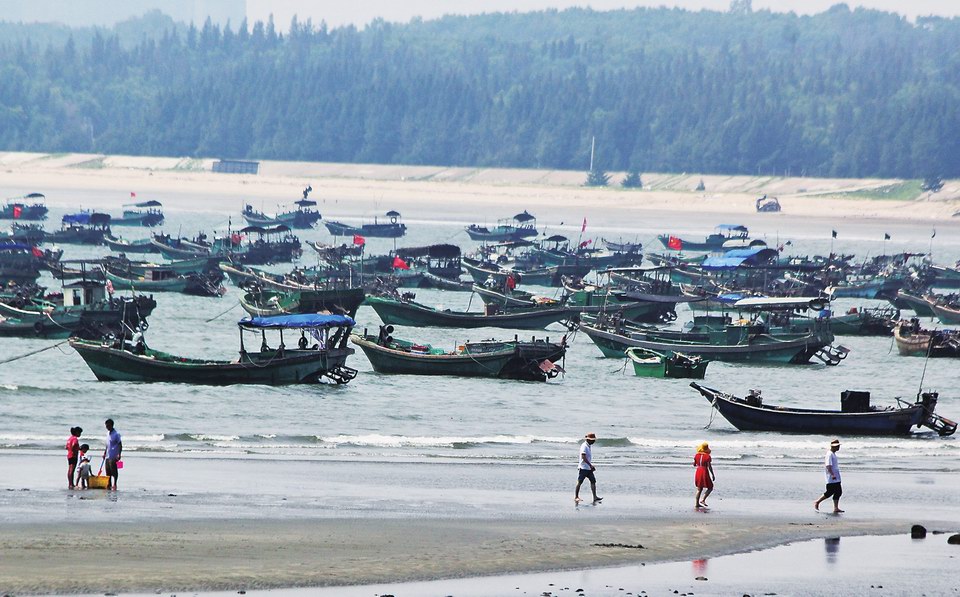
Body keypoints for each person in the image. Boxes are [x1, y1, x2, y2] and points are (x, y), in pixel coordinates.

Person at [814, 439, 843, 513]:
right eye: (837, 446)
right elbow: (828, 466)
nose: (838, 447)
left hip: (836, 477)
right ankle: (817, 501)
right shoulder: (829, 454)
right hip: (831, 477)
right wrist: (832, 474)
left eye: (838, 446)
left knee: (838, 492)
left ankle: (836, 508)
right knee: (830, 492)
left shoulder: (833, 454)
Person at [575, 432, 601, 504]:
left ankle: (595, 496)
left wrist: (590, 466)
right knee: (580, 482)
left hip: (588, 468)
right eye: (593, 440)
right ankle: (576, 497)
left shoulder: (588, 446)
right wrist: (590, 465)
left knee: (593, 481)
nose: (594, 441)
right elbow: (583, 457)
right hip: (583, 467)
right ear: (589, 440)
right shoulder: (584, 446)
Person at [694, 442, 715, 508]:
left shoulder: (696, 455)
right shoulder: (707, 456)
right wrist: (712, 474)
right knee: (710, 487)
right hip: (704, 471)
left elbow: (694, 464)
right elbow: (709, 466)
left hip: (698, 470)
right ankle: (703, 499)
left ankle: (697, 503)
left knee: (699, 489)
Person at [103, 419, 123, 491]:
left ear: (111, 425)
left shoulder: (116, 434)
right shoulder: (107, 433)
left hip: (114, 455)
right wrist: (104, 452)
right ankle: (109, 484)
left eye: (108, 426)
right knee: (107, 471)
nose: (107, 427)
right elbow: (107, 444)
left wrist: (119, 454)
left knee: (114, 470)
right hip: (108, 455)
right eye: (106, 426)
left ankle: (115, 483)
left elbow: (120, 444)